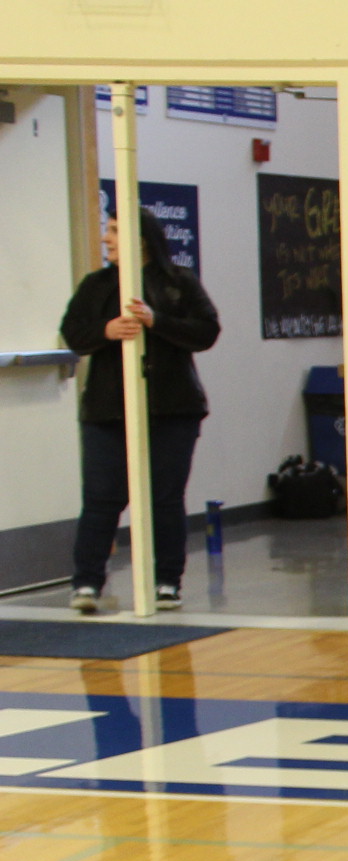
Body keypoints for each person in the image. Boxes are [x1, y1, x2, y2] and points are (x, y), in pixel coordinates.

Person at [59, 209, 222, 613]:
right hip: (107, 411)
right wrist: (106, 331)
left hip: (172, 408)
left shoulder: (179, 282)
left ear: (141, 239)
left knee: (165, 498)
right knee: (101, 499)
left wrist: (157, 320)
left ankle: (167, 582)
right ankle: (86, 583)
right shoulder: (96, 285)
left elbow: (206, 331)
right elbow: (73, 332)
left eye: (114, 231)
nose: (106, 239)